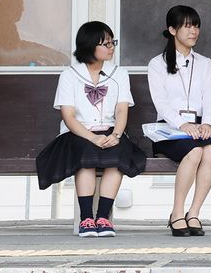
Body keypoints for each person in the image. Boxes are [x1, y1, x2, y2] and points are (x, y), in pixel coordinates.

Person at [36, 21, 147, 237]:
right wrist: (92, 138)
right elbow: (68, 116)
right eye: (105, 43)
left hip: (110, 131)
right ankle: (86, 219)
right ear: (89, 46)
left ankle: (103, 218)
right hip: (79, 132)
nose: (111, 47)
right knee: (85, 156)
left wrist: (115, 135)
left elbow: (122, 110)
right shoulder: (70, 75)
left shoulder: (119, 73)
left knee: (117, 156)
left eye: (112, 42)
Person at [147, 5, 211, 237]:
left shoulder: (205, 63)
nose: (194, 31)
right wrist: (182, 125)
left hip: (200, 128)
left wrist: (207, 122)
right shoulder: (157, 64)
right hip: (170, 130)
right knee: (197, 152)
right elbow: (161, 103)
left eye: (196, 26)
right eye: (187, 26)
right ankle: (177, 213)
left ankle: (194, 213)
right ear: (172, 29)